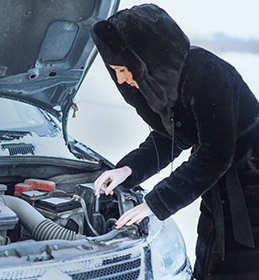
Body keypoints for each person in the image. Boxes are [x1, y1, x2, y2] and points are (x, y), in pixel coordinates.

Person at [90, 4, 259, 280]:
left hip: (252, 189)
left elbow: (215, 154)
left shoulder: (206, 73)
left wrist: (154, 203)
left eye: (122, 69)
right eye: (114, 71)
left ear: (144, 59)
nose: (120, 79)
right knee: (210, 264)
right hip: (219, 191)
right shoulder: (173, 86)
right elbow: (171, 137)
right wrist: (128, 169)